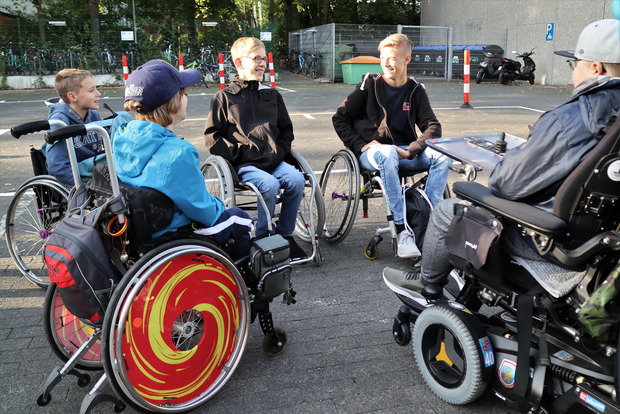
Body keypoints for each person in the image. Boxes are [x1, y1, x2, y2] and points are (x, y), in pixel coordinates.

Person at [383, 19, 620, 300]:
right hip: (604, 242)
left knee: (450, 211)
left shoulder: (567, 121)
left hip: (554, 241)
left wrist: (517, 157)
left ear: (596, 68)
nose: (573, 73)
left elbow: (504, 184)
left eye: (575, 64)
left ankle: (427, 288)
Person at [114, 59, 253, 260]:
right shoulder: (178, 152)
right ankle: (241, 284)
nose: (187, 98)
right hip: (173, 234)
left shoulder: (121, 136)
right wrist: (219, 205)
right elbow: (203, 212)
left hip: (139, 232)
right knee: (241, 220)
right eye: (184, 93)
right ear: (173, 102)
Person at [332, 33, 452, 259]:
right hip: (374, 154)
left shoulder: (416, 89)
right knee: (387, 152)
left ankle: (429, 223)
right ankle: (401, 230)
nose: (385, 63)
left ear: (407, 59)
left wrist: (411, 149)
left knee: (444, 154)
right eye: (382, 57)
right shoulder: (369, 85)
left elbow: (433, 127)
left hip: (404, 153)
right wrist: (361, 144)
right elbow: (339, 118)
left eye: (392, 58)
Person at [204, 37, 307, 260]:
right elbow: (213, 138)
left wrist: (278, 152)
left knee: (297, 179)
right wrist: (240, 154)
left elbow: (287, 131)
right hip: (246, 163)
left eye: (264, 59)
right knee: (269, 186)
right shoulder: (224, 98)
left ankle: (286, 236)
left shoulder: (272, 95)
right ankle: (263, 239)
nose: (262, 64)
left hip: (274, 160)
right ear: (240, 63)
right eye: (256, 59)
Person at [45, 69, 104, 187]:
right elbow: (57, 167)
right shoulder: (59, 121)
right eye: (91, 90)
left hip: (95, 175)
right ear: (72, 96)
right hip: (73, 183)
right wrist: (82, 188)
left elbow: (110, 143)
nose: (98, 94)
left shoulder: (92, 114)